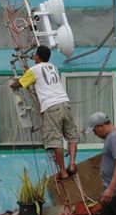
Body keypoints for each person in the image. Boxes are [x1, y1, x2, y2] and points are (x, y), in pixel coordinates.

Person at [10, 45, 77, 181]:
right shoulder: (53, 67)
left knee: (55, 141)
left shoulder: (34, 70)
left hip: (51, 107)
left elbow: (20, 84)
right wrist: (28, 73)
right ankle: (71, 165)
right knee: (71, 136)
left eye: (35, 55)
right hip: (65, 103)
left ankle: (63, 173)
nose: (34, 57)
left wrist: (13, 83)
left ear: (38, 57)